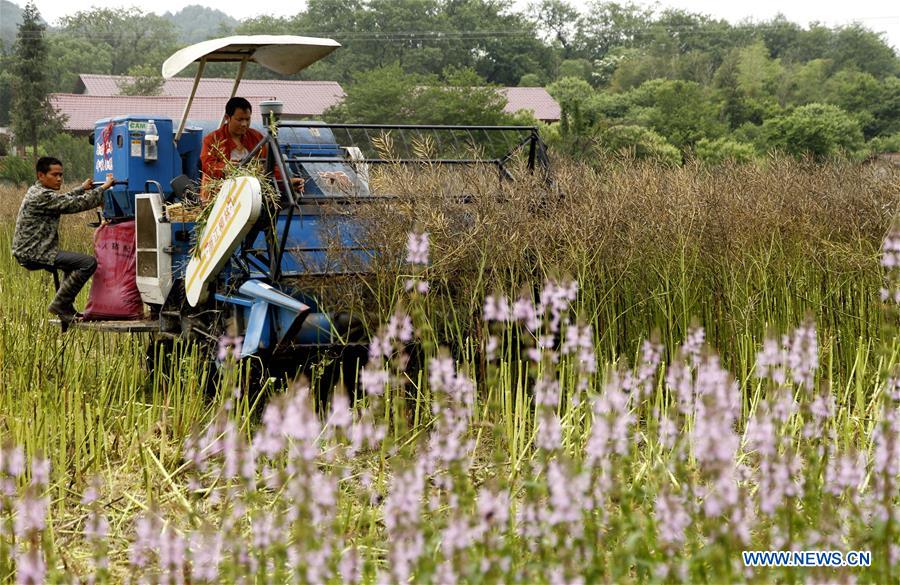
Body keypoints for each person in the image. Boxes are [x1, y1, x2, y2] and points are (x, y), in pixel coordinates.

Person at [12, 157, 115, 322]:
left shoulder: (39, 192)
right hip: (34, 253)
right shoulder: (41, 196)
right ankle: (60, 304)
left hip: (34, 250)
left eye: (61, 175)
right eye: (55, 175)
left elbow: (63, 199)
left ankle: (65, 307)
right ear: (41, 175)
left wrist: (82, 188)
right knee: (88, 263)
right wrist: (104, 187)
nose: (59, 178)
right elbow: (74, 205)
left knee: (71, 264)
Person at [199, 96, 303, 201]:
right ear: (227, 118)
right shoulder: (213, 139)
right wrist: (227, 168)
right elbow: (207, 166)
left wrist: (287, 182)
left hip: (252, 196)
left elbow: (271, 167)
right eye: (239, 120)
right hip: (219, 196)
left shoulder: (257, 138)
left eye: (247, 119)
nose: (244, 124)